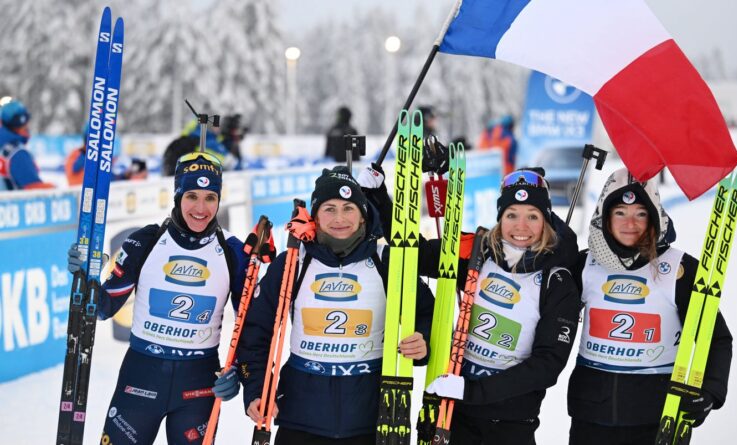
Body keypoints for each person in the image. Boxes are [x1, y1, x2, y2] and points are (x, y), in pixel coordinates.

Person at [361, 166, 581, 445]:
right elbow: (412, 252)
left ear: (546, 221)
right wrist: (379, 199)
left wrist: (472, 390)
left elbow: (547, 365)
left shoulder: (557, 281)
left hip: (510, 423)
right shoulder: (478, 253)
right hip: (456, 415)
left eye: (532, 216)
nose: (521, 226)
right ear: (500, 218)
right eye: (511, 215)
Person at [236, 166, 434, 445]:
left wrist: (423, 340)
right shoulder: (294, 262)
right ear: (315, 215)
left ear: (363, 215)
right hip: (300, 419)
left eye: (348, 208)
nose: (339, 218)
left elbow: (428, 313)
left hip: (370, 420)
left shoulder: (386, 262)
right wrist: (257, 388)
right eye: (329, 208)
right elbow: (255, 332)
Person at [66, 153, 249, 444]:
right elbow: (103, 307)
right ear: (177, 195)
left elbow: (250, 324)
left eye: (210, 197)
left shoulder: (234, 251)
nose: (201, 208)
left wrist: (239, 371)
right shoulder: (146, 241)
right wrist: (85, 276)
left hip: (199, 384)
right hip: (141, 377)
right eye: (191, 196)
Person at [567, 168, 733, 445]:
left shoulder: (679, 268)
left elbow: (717, 338)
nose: (629, 223)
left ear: (654, 216)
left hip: (657, 419)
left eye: (641, 213)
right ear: (605, 217)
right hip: (590, 416)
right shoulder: (585, 265)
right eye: (620, 212)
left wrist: (710, 392)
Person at [0, 99, 54, 190]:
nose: (27, 127)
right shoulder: (17, 153)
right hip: (12, 203)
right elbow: (34, 189)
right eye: (25, 123)